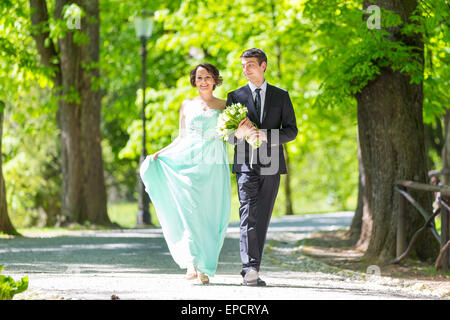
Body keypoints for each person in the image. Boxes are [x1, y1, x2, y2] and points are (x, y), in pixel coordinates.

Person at [140, 63, 231, 285]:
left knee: (209, 214)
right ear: (194, 80)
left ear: (215, 80)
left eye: (208, 77)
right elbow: (181, 137)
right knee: (189, 211)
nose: (203, 81)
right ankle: (192, 263)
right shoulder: (186, 105)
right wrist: (160, 154)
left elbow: (230, 135)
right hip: (187, 163)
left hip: (213, 165)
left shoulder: (225, 105)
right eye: (199, 77)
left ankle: (206, 266)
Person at [226, 48, 298, 286]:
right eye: (243, 65)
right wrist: (239, 133)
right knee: (247, 213)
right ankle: (249, 269)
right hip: (245, 164)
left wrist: (264, 135)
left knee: (263, 215)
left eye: (250, 65)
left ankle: (254, 264)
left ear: (263, 65)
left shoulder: (281, 96)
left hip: (272, 164)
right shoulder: (234, 96)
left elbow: (291, 131)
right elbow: (227, 136)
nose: (245, 70)